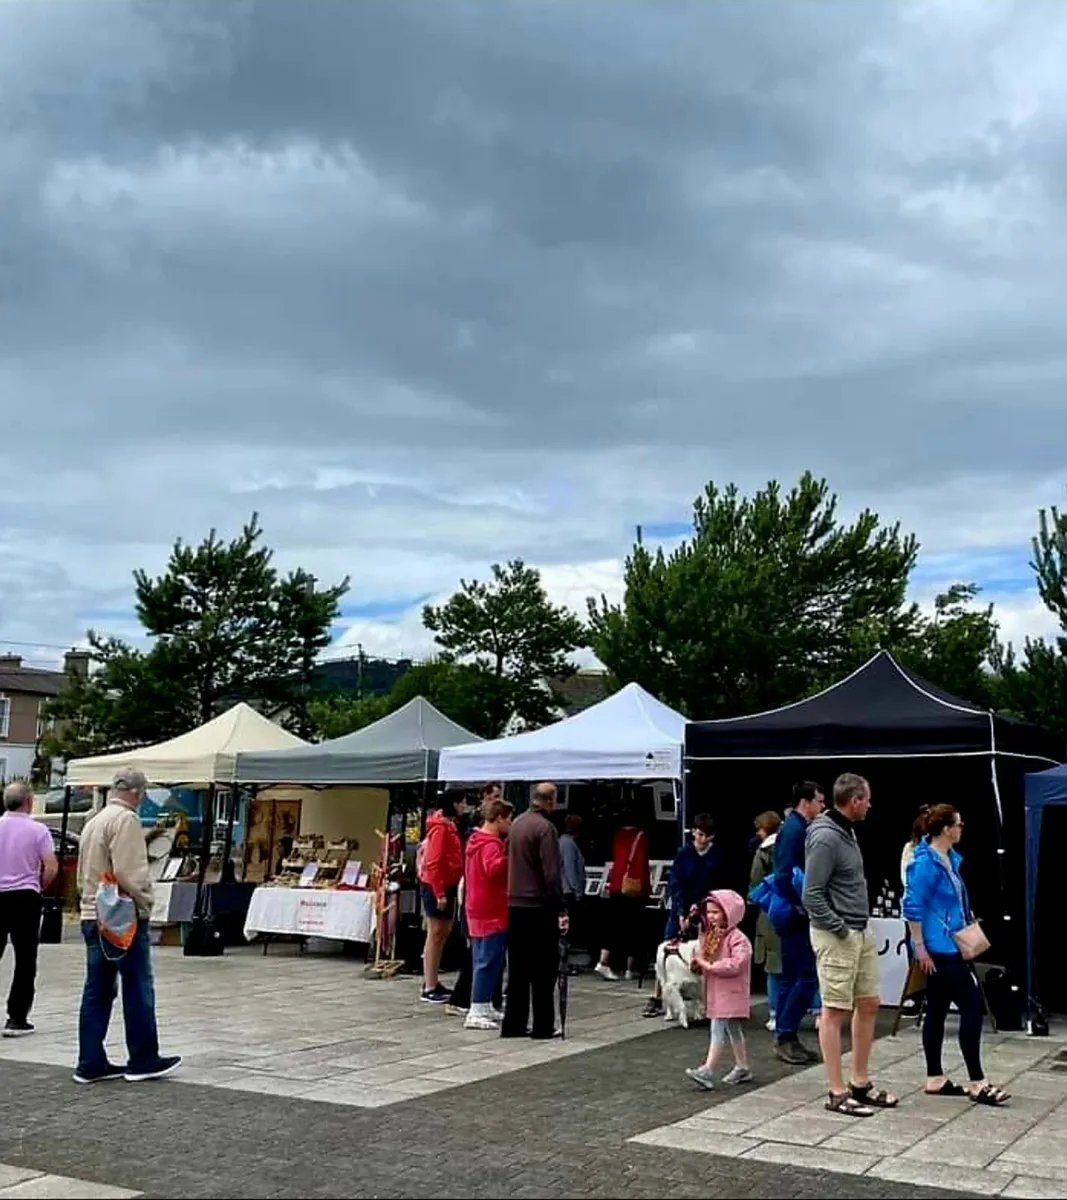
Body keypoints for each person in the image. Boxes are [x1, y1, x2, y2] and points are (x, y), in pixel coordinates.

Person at [75, 767, 180, 1083]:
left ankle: (90, 1061)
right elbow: (129, 873)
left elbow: (84, 873)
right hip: (121, 916)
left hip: (92, 912)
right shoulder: (127, 821)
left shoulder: (95, 821)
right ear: (137, 793)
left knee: (97, 989)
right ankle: (143, 1057)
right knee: (137, 987)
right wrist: (146, 901)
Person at [804, 772, 897, 1118]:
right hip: (838, 934)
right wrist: (840, 928)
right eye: (867, 799)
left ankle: (860, 1081)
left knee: (869, 1002)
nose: (870, 805)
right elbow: (812, 894)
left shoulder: (846, 831)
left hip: (858, 929)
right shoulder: (826, 837)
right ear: (855, 800)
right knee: (834, 1010)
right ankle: (836, 1090)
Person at [903, 804, 1009, 1106]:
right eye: (959, 824)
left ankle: (935, 1076)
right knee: (972, 1005)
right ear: (946, 829)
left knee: (936, 1007)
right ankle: (977, 1081)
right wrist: (919, 946)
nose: (962, 829)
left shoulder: (948, 860)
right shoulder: (925, 864)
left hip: (950, 945)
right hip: (941, 949)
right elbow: (912, 906)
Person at [502, 782, 564, 1040]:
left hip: (515, 904)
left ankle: (513, 1024)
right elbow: (551, 873)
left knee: (517, 969)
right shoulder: (545, 829)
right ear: (550, 801)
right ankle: (542, 1025)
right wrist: (560, 906)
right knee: (543, 969)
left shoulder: (516, 823)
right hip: (539, 906)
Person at [644, 812, 722, 1017]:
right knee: (667, 949)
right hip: (681, 907)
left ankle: (707, 1000)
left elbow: (716, 886)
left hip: (706, 909)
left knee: (706, 952)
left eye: (705, 836)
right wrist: (681, 911)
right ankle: (658, 996)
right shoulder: (684, 853)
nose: (701, 840)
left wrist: (700, 907)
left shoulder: (717, 856)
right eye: (698, 835)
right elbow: (675, 883)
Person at [772, 782, 824, 1064]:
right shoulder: (795, 830)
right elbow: (784, 874)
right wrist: (801, 904)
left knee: (792, 978)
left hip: (792, 912)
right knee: (804, 976)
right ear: (806, 802)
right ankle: (786, 1034)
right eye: (819, 800)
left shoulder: (793, 827)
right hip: (795, 915)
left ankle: (785, 1034)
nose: (822, 805)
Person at [0, 781, 57, 1037]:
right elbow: (51, 866)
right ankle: (17, 1017)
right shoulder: (38, 830)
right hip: (25, 895)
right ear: (29, 802)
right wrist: (39, 886)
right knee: (25, 959)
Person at [685, 890, 753, 1090]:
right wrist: (700, 963)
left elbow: (735, 965)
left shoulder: (738, 939)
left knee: (717, 1028)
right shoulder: (711, 935)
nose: (711, 916)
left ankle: (708, 1069)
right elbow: (705, 955)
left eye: (716, 912)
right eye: (709, 912)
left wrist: (706, 965)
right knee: (732, 1028)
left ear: (729, 912)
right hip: (719, 991)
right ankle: (742, 1066)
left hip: (729, 992)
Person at [447, 783, 499, 1015]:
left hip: (477, 896)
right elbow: (488, 868)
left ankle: (486, 1000)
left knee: (486, 954)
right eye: (494, 796)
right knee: (479, 954)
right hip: (477, 898)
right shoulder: (477, 832)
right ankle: (470, 1000)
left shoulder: (475, 833)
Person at [463, 796, 513, 1030]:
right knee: (487, 961)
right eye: (508, 819)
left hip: (476, 906)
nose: (510, 824)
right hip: (491, 909)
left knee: (484, 959)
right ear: (499, 818)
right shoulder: (492, 844)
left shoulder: (474, 841)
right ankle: (476, 1009)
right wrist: (510, 857)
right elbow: (493, 869)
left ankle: (483, 1005)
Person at [418, 789, 467, 1005]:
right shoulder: (441, 827)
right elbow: (434, 861)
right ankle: (429, 985)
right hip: (437, 885)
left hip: (447, 883)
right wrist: (439, 893)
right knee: (435, 933)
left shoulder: (449, 826)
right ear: (455, 804)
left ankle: (433, 980)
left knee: (443, 931)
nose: (465, 806)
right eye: (463, 802)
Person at [596, 811, 651, 982]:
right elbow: (640, 863)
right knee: (633, 929)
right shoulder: (640, 836)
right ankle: (629, 968)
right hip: (633, 887)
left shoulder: (618, 835)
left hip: (617, 884)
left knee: (613, 926)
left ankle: (604, 961)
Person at [749, 811, 782, 1034]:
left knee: (773, 967)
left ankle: (774, 1014)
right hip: (796, 912)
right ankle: (817, 1009)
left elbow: (755, 882)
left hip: (771, 912)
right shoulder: (796, 845)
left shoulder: (764, 851)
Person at [559, 814, 586, 908]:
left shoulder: (564, 841)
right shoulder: (568, 844)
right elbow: (570, 869)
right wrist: (578, 891)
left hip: (566, 890)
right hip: (569, 892)